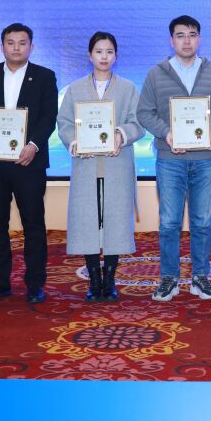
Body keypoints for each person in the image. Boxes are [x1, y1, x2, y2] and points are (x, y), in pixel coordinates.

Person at [136, 15, 211, 301]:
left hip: (206, 158)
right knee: (169, 222)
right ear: (171, 40)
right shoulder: (156, 74)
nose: (187, 41)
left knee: (202, 221)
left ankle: (200, 278)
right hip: (170, 159)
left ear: (199, 38)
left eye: (192, 35)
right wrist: (167, 133)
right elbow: (144, 112)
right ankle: (169, 279)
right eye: (180, 35)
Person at [0, 23, 57, 304]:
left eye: (22, 42)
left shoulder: (44, 76)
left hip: (28, 162)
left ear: (31, 46)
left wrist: (33, 145)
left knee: (33, 224)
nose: (16, 47)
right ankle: (0, 283)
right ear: (2, 46)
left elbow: (48, 117)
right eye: (10, 42)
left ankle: (35, 284)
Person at [57, 31, 144, 302]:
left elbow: (139, 122)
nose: (104, 57)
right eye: (98, 51)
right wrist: (74, 141)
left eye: (109, 52)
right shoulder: (75, 89)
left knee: (115, 222)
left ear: (116, 56)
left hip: (118, 165)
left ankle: (110, 280)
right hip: (86, 165)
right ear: (89, 55)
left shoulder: (128, 88)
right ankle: (94, 281)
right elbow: (64, 123)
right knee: (88, 222)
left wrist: (121, 134)